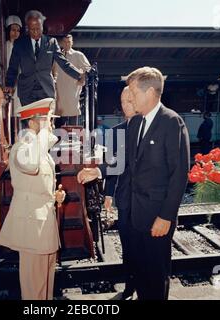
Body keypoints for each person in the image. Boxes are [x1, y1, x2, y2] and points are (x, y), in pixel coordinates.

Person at [78, 67, 190, 300]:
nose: (129, 99)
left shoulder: (171, 122)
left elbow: (179, 175)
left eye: (133, 93)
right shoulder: (137, 123)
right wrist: (98, 171)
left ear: (149, 92)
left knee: (156, 274)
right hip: (135, 213)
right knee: (140, 269)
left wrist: (166, 216)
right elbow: (124, 162)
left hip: (156, 215)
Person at [0, 98, 66, 300]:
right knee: (34, 287)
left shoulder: (39, 150)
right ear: (33, 122)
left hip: (44, 225)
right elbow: (31, 166)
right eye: (48, 120)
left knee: (46, 283)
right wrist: (42, 132)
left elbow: (37, 186)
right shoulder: (22, 148)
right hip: (32, 227)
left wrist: (55, 196)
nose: (52, 126)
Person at [5, 10, 85, 106]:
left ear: (42, 26)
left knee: (44, 120)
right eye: (32, 29)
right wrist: (9, 84)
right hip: (26, 91)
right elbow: (13, 67)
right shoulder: (19, 44)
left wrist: (78, 75)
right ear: (27, 28)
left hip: (46, 90)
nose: (35, 32)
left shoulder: (52, 42)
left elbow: (63, 62)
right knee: (30, 121)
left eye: (38, 29)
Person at [103, 86, 136, 299]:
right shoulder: (115, 132)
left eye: (130, 101)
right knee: (128, 247)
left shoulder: (152, 128)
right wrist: (108, 195)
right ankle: (129, 286)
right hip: (125, 199)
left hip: (147, 202)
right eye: (122, 101)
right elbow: (112, 166)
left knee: (146, 250)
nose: (126, 106)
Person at [53, 34, 91, 125]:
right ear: (61, 43)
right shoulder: (57, 56)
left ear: (72, 43)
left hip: (72, 93)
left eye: (69, 42)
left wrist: (82, 81)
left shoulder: (78, 55)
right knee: (59, 124)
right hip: (59, 94)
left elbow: (88, 69)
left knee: (73, 127)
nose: (66, 44)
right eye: (65, 42)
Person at [5, 15, 22, 112]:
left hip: (19, 83)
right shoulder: (1, 45)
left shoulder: (23, 47)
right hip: (6, 83)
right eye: (13, 30)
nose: (15, 33)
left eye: (18, 30)